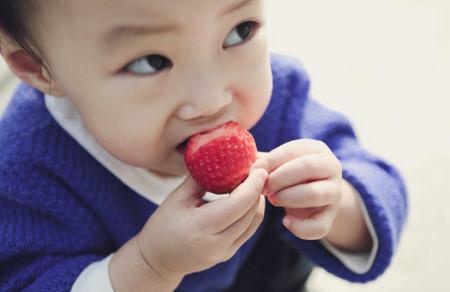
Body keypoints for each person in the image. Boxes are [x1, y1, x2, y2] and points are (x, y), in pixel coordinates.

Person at [0, 0, 408, 291]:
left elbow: (380, 185)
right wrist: (148, 266)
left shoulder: (279, 98)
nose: (214, 100)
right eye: (151, 61)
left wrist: (336, 203)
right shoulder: (26, 166)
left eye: (239, 31)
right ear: (39, 68)